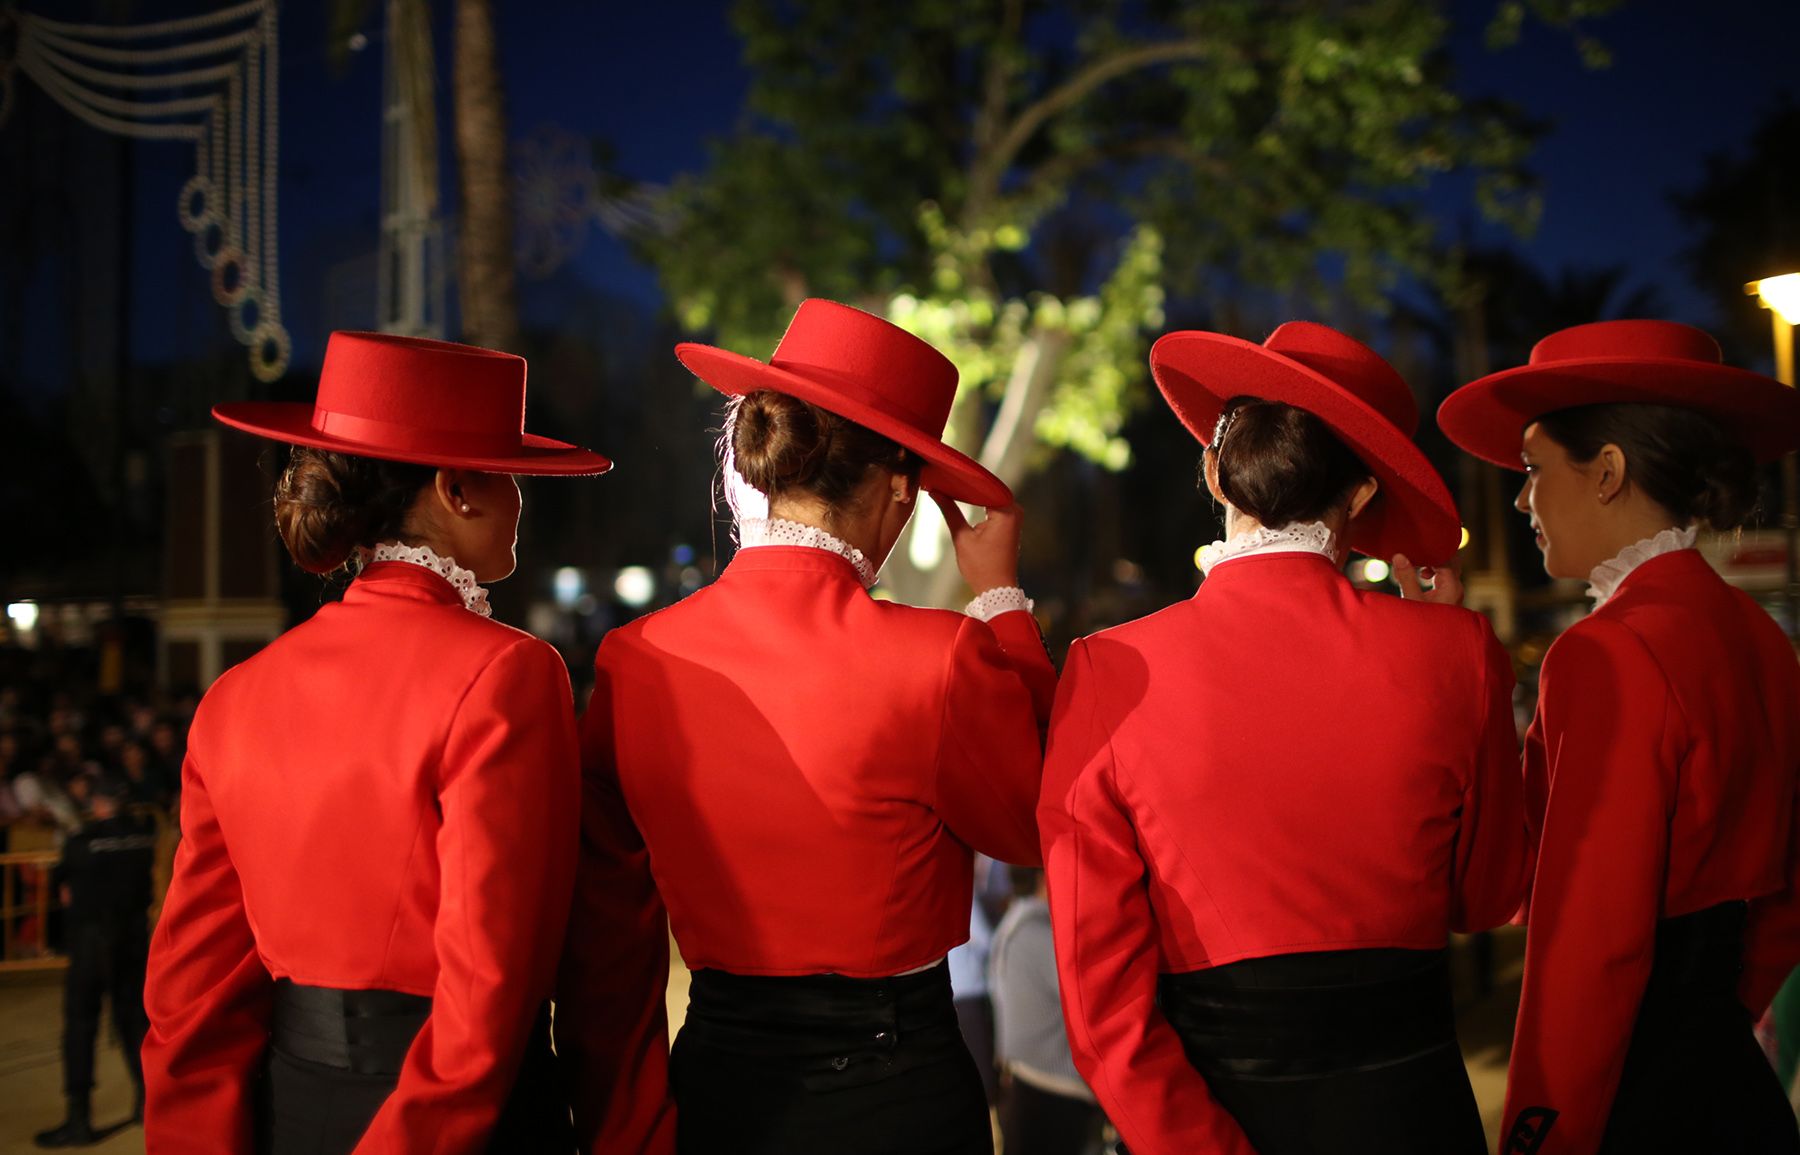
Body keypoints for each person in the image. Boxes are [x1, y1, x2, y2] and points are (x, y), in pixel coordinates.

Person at [558, 299, 1055, 1155]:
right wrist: (1001, 598)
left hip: (717, 1079)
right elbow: (1035, 818)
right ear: (900, 487)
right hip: (896, 1086)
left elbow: (605, 927)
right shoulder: (939, 655)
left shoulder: (637, 657)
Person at [1039, 321, 1526, 1155]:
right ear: (1363, 493)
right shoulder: (1458, 652)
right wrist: (1442, 652)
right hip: (1411, 1113)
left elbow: (1101, 1013)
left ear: (1212, 472)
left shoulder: (1106, 666)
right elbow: (1484, 899)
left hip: (1214, 1113)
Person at [140, 331, 611, 1155]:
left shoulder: (233, 696)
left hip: (295, 1110)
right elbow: (488, 985)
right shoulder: (509, 672)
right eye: (512, 474)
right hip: (452, 1123)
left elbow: (191, 992)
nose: (521, 500)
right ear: (457, 487)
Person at [1438, 318, 1800, 1154]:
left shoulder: (1607, 649)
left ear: (1606, 471)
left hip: (1635, 1093)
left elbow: (1587, 940)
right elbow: (1785, 894)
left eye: (1531, 470)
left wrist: (1541, 1134)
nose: (1522, 499)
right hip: (1728, 1078)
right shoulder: (1757, 634)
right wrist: (1712, 1016)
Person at [34, 774, 155, 1148]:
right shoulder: (143, 838)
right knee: (134, 1020)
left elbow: (63, 886)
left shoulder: (80, 843)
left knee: (81, 1026)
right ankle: (148, 1103)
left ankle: (79, 1119)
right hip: (132, 942)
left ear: (96, 803)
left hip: (91, 944)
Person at [989, 866, 1103, 1155]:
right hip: (1051, 1088)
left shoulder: (1015, 924)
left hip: (1033, 1082)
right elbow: (1092, 1000)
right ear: (1044, 879)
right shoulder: (1038, 932)